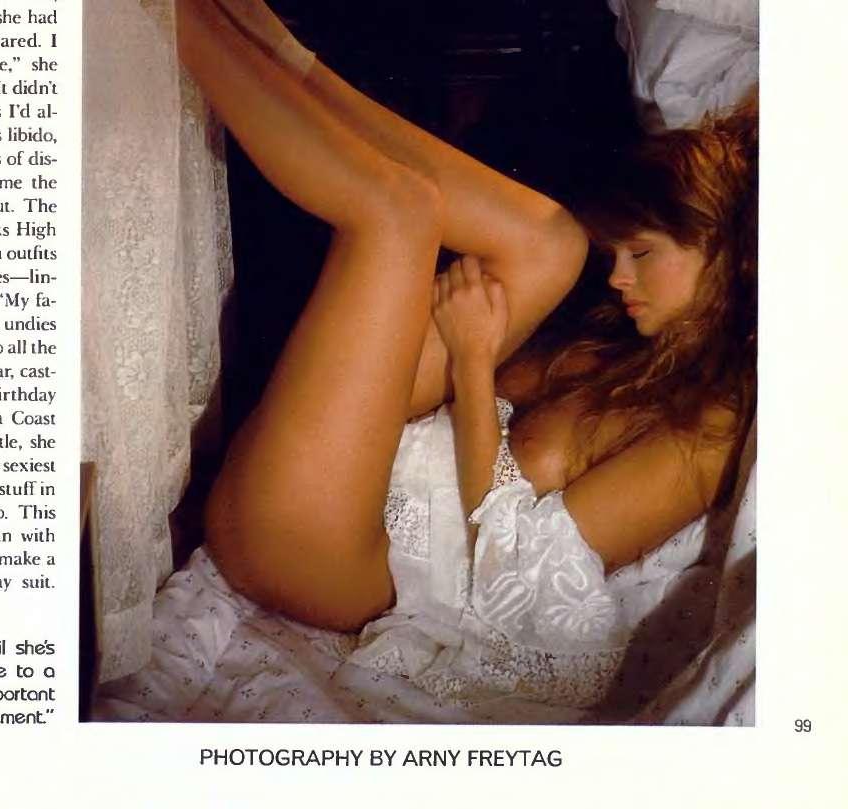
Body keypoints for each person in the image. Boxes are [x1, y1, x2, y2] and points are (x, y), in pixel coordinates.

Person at [178, 0, 757, 657]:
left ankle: (165, 19)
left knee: (398, 212)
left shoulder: (704, 436)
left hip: (327, 556)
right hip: (334, 474)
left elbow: (518, 584)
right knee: (554, 243)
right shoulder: (631, 350)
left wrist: (475, 365)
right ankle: (289, 59)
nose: (619, 277)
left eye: (643, 254)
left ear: (728, 260)